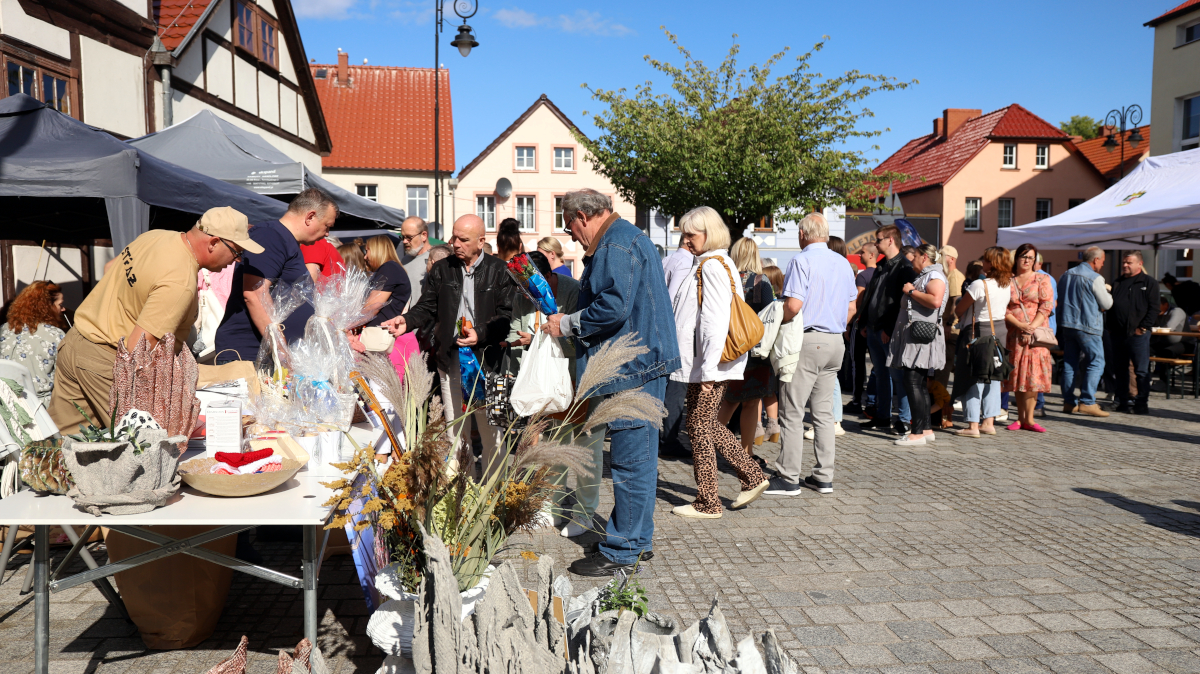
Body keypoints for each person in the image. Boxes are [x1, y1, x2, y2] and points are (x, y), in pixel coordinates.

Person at [541, 188, 679, 576]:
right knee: (638, 460)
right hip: (640, 363)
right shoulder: (623, 238)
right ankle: (636, 540)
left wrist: (567, 323)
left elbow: (613, 307)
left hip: (634, 367)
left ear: (583, 217)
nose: (570, 235)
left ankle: (623, 550)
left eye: (569, 226)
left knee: (630, 461)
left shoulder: (616, 244)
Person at [49, 208, 255, 431]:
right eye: (236, 251)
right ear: (213, 243)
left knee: (60, 441)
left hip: (77, 341)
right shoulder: (179, 282)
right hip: (107, 363)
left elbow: (110, 267)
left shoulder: (155, 236)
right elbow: (138, 350)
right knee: (144, 444)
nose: (236, 260)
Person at [382, 215, 515, 471]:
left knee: (494, 435)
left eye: (464, 239)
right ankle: (462, 489)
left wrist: (480, 333)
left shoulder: (500, 270)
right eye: (454, 237)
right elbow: (427, 306)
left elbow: (506, 317)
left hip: (491, 363)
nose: (455, 244)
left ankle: (493, 490)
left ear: (481, 241)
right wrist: (406, 321)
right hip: (450, 358)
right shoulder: (443, 269)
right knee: (456, 432)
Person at [667, 207, 768, 519]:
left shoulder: (711, 266)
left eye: (691, 234)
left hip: (710, 362)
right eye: (684, 234)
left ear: (708, 234)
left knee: (700, 425)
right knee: (701, 424)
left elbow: (714, 321)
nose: (685, 240)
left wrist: (709, 370)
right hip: (709, 361)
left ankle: (712, 500)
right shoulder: (716, 262)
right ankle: (744, 479)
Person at [499, 251, 593, 537]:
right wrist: (527, 343)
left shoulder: (572, 291)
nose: (524, 294)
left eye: (528, 287)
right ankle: (552, 504)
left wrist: (541, 337)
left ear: (548, 276)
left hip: (575, 378)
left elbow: (580, 338)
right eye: (521, 289)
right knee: (552, 445)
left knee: (584, 446)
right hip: (540, 383)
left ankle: (584, 512)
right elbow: (515, 331)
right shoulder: (522, 297)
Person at [765, 213, 857, 497]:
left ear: (803, 234)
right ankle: (823, 477)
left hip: (807, 339)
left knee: (792, 411)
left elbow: (793, 305)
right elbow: (852, 307)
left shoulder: (801, 260)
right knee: (824, 413)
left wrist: (776, 323)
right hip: (835, 341)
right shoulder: (843, 262)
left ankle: (788, 477)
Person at [214, 189, 338, 363]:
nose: (327, 233)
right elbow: (255, 293)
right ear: (310, 217)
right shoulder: (270, 235)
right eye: (327, 226)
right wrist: (282, 353)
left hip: (269, 356)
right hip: (250, 354)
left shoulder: (286, 241)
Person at [719, 237, 777, 463]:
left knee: (729, 399)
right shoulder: (760, 282)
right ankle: (746, 453)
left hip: (729, 346)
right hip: (754, 348)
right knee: (751, 402)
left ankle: (708, 446)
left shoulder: (725, 278)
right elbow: (769, 315)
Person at [859, 225, 916, 434]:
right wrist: (864, 322)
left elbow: (902, 302)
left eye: (879, 240)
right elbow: (871, 296)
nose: (876, 244)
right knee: (881, 375)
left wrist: (890, 328)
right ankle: (883, 417)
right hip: (873, 328)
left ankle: (904, 420)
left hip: (888, 330)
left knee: (897, 375)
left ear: (891, 240)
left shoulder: (904, 267)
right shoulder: (882, 265)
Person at [889, 244, 947, 446]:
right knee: (919, 383)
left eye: (914, 256)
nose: (911, 260)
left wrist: (912, 291)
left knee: (912, 381)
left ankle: (917, 433)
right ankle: (926, 429)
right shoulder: (927, 275)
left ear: (924, 257)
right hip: (917, 336)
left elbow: (936, 301)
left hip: (921, 337)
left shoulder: (934, 276)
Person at [953, 247, 1012, 438]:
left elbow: (959, 310)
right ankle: (989, 422)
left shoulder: (979, 285)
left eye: (986, 260)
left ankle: (973, 424)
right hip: (999, 332)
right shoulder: (1008, 284)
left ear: (992, 264)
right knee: (993, 377)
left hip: (979, 332)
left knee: (973, 377)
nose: (982, 263)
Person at [1003, 244, 1055, 432]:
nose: (1027, 260)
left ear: (1035, 261)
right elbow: (1003, 308)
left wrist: (1031, 327)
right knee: (1018, 376)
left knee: (1033, 376)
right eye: (1023, 256)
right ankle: (1019, 418)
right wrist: (1020, 325)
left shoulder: (1042, 279)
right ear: (1017, 258)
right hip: (1015, 334)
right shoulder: (1008, 280)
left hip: (1036, 335)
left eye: (1030, 257)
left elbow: (1046, 306)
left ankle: (1030, 419)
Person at [1058, 247, 1113, 417]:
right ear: (1096, 260)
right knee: (1097, 361)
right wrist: (1107, 290)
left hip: (1067, 324)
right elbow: (1107, 304)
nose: (1102, 265)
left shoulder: (1066, 274)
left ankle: (1069, 402)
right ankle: (1088, 401)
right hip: (1088, 325)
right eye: (1102, 261)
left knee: (1069, 363)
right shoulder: (1095, 278)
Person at [1107, 251, 1159, 414]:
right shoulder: (1118, 282)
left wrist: (1142, 328)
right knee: (1120, 369)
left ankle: (1141, 403)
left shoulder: (1148, 282)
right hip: (1118, 334)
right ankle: (1122, 401)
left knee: (1141, 370)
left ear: (1139, 264)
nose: (1125, 265)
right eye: (1124, 262)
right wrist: (1110, 327)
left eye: (1129, 262)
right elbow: (1111, 307)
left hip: (1138, 335)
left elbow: (1154, 308)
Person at [0, 281, 69, 403]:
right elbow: (66, 378)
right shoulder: (55, 335)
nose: (63, 309)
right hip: (42, 407)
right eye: (60, 304)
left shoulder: (3, 330)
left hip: (7, 405)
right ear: (47, 306)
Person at [659, 246, 697, 459]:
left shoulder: (668, 260)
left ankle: (662, 438)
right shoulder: (686, 263)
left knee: (667, 389)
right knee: (676, 390)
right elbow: (673, 299)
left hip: (665, 334)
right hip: (677, 335)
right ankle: (669, 441)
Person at [845, 240, 878, 415]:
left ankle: (857, 400)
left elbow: (857, 302)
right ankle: (876, 401)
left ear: (872, 255)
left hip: (860, 325)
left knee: (857, 364)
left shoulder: (863, 276)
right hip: (876, 325)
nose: (859, 255)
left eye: (863, 252)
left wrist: (850, 323)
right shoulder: (881, 273)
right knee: (877, 364)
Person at [362, 235, 412, 328]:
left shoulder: (389, 268)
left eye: (367, 251)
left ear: (376, 251)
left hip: (382, 330)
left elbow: (372, 306)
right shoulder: (391, 268)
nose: (365, 257)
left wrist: (348, 324)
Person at [760, 265, 784, 441]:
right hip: (775, 346)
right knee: (770, 389)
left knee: (755, 391)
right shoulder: (783, 301)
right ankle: (773, 425)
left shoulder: (766, 298)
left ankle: (756, 427)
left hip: (762, 345)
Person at [934, 245, 964, 388]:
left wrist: (948, 325)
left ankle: (940, 400)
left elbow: (956, 303)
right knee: (939, 368)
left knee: (943, 369)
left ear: (951, 259)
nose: (939, 258)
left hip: (950, 331)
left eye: (942, 255)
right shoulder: (946, 275)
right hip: (943, 329)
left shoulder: (955, 276)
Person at [1151, 296, 1191, 389]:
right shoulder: (1156, 313)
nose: (1155, 309)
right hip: (1164, 342)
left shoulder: (1177, 311)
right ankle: (1144, 379)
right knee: (1144, 349)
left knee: (1166, 352)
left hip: (1183, 343)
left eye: (1157, 306)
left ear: (1166, 305)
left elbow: (1169, 327)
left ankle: (1163, 381)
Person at [399, 217, 434, 301]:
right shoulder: (405, 260)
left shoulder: (435, 259)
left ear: (424, 235)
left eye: (409, 237)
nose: (404, 241)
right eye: (403, 237)